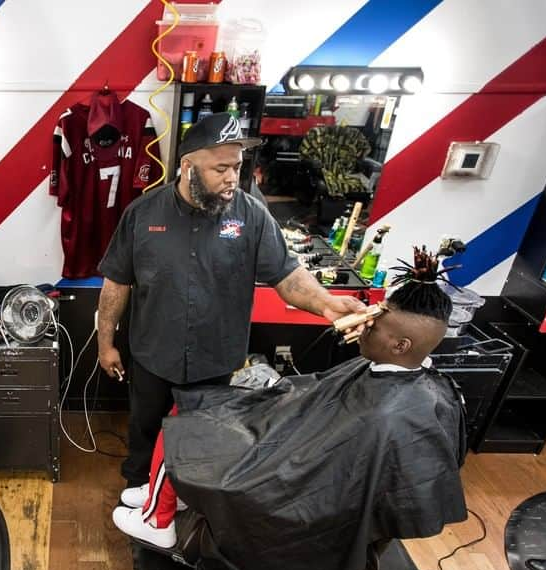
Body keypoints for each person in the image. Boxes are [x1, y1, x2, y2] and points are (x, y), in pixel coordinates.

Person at [114, 248, 460, 548]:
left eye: (374, 323)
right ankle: (166, 496)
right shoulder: (410, 381)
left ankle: (157, 523)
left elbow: (330, 465)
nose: (363, 326)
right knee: (198, 405)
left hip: (289, 473)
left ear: (401, 345)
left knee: (186, 424)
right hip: (291, 438)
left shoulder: (390, 415)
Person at [96, 112, 365, 494]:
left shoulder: (251, 214)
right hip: (153, 354)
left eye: (236, 167)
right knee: (145, 432)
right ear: (187, 167)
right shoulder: (142, 214)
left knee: (205, 442)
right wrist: (105, 345)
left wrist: (327, 304)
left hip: (215, 358)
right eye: (220, 168)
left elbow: (287, 276)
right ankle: (139, 493)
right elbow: (116, 284)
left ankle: (189, 500)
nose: (231, 179)